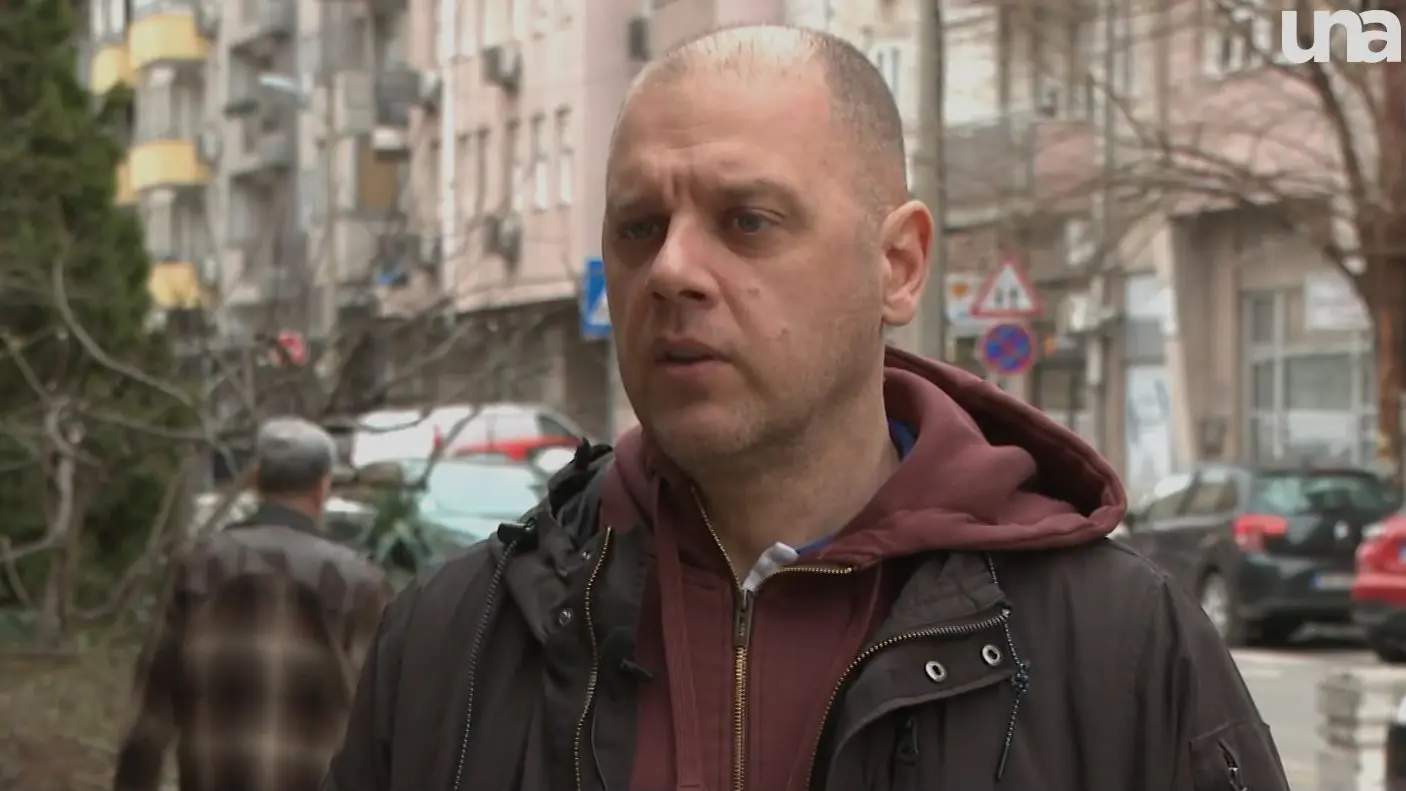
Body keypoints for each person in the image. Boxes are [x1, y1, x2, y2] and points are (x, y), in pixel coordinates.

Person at [325, 25, 1289, 791]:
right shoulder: (458, 642)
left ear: (897, 265)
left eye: (748, 220)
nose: (671, 269)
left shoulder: (1120, 646)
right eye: (640, 226)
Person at [114, 417, 391, 791]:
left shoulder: (197, 569)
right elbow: (385, 718)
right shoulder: (359, 583)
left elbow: (151, 713)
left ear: (255, 480)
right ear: (322, 487)